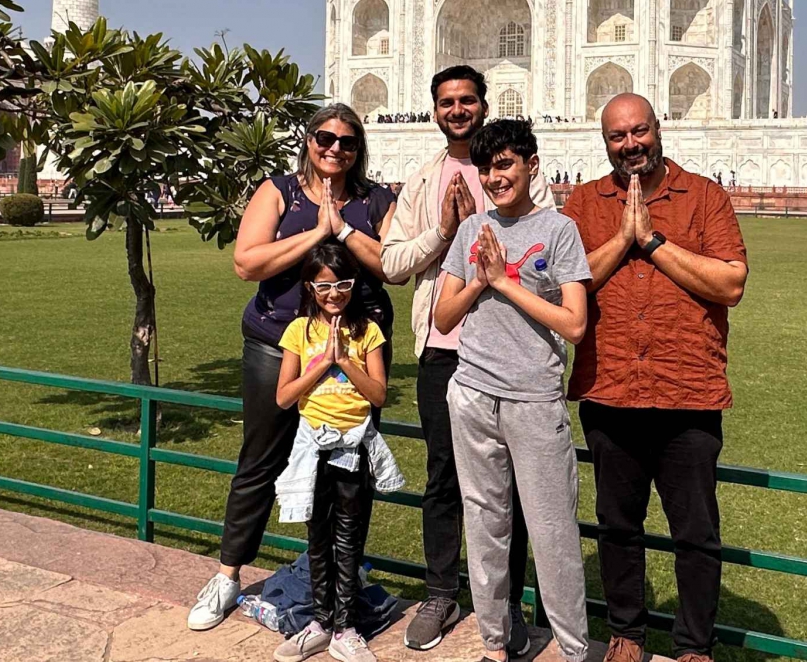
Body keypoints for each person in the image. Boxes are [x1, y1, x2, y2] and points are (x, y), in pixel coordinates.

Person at [189, 103, 398, 632]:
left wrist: (345, 232)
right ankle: (228, 575)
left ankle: (341, 595)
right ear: (309, 141)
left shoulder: (376, 201)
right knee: (261, 461)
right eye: (325, 138)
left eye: (347, 142)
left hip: (356, 346)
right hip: (279, 345)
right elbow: (246, 262)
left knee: (349, 473)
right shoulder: (278, 191)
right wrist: (318, 231)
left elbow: (392, 268)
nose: (335, 149)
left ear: (358, 149)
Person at [563, 94, 749, 662]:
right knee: (618, 526)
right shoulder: (585, 203)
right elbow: (567, 284)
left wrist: (654, 243)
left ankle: (694, 645)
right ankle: (627, 634)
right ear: (605, 141)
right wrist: (622, 239)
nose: (630, 145)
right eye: (617, 136)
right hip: (611, 388)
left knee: (695, 533)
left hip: (685, 391)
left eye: (638, 131)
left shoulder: (703, 197)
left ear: (657, 128)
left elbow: (730, 284)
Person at [380, 66, 548, 652]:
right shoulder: (424, 180)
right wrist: (443, 230)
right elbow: (392, 264)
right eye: (447, 102)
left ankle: (507, 605)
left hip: (510, 352)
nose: (458, 109)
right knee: (444, 479)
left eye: (467, 100)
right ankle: (441, 594)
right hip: (443, 349)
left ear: (484, 105)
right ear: (435, 111)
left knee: (515, 484)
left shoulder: (517, 174)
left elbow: (546, 248)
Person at [433, 119, 592, 662]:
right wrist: (479, 279)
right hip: (474, 392)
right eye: (486, 168)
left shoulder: (559, 230)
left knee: (552, 532)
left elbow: (574, 324)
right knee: (485, 527)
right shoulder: (472, 229)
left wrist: (503, 282)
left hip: (533, 397)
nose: (495, 177)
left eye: (504, 164)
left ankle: (572, 650)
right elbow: (444, 315)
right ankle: (494, 645)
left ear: (531, 165)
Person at [271, 240, 403, 662]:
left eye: (342, 284)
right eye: (323, 286)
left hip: (353, 447)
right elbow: (284, 397)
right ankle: (320, 620)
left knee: (348, 538)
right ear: (309, 287)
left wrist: (345, 361)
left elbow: (378, 394)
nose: (333, 294)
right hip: (313, 447)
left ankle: (345, 627)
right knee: (317, 537)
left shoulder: (368, 331)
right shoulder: (298, 331)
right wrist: (321, 362)